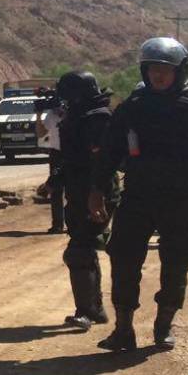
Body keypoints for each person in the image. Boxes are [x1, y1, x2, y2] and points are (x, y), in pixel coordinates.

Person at [93, 37, 188, 351]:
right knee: (123, 259)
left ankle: (163, 325)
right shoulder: (132, 108)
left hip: (181, 198)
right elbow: (109, 153)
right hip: (137, 198)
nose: (159, 75)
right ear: (145, 71)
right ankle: (123, 329)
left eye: (166, 70)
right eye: (153, 69)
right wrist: (96, 191)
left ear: (179, 71)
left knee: (178, 261)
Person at [54, 71, 114, 331]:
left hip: (96, 195)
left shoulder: (98, 120)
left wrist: (97, 196)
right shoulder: (80, 118)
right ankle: (95, 309)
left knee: (78, 251)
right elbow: (73, 161)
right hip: (79, 195)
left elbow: (101, 163)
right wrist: (53, 182)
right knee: (85, 249)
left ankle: (86, 311)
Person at [37, 97, 66, 233]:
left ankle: (76, 223)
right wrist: (38, 114)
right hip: (57, 154)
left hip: (73, 153)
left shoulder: (73, 112)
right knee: (55, 188)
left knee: (75, 189)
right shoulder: (51, 115)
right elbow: (40, 133)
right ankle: (58, 224)